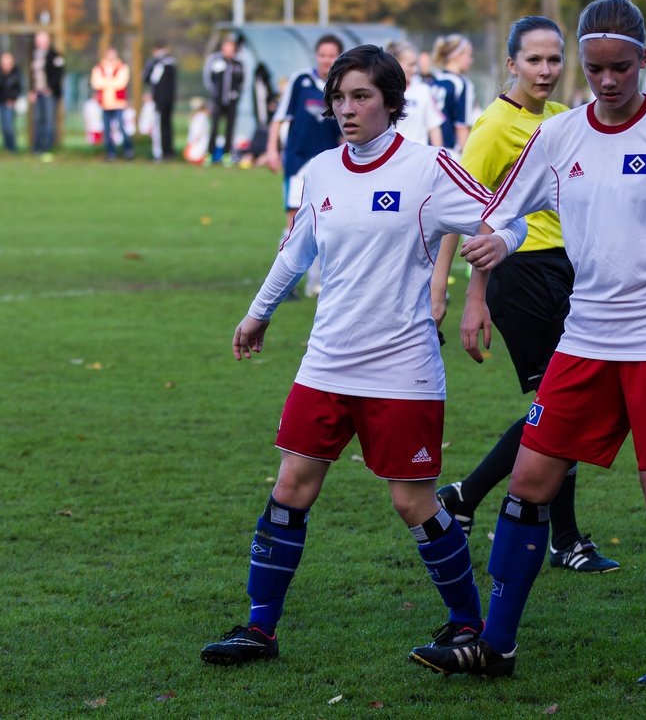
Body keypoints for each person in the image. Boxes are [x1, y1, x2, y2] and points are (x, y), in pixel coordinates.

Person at [409, 0, 646, 684]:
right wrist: (500, 241)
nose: (607, 81)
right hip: (584, 337)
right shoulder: (557, 137)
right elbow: (514, 212)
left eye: (620, 68)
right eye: (595, 69)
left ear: (643, 60)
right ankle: (495, 644)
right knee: (528, 479)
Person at [199, 44, 528, 666]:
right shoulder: (320, 170)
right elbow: (296, 250)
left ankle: (466, 623)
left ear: (392, 103)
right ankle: (258, 629)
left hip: (402, 365)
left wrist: (502, 243)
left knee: (412, 502)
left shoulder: (429, 167)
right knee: (291, 485)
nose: (346, 110)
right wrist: (258, 312)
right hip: (326, 360)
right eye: (339, 98)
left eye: (361, 97)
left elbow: (505, 212)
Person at [430, 15, 619, 575]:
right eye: (533, 59)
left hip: (568, 272)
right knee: (559, 407)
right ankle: (561, 538)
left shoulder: (562, 118)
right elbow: (456, 209)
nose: (545, 70)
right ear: (511, 64)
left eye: (554, 59)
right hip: (520, 272)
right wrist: (455, 290)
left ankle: (467, 500)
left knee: (566, 407)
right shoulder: (493, 127)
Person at [263, 34, 344, 297]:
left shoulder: (341, 86)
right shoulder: (301, 81)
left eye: (332, 55)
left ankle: (318, 283)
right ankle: (284, 285)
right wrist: (271, 149)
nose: (326, 60)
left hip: (330, 164)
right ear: (316, 56)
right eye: (322, 54)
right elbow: (279, 118)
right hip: (298, 161)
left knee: (327, 222)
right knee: (296, 222)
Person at [386, 41, 444, 147]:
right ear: (396, 63)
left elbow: (434, 127)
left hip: (418, 159)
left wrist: (438, 155)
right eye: (411, 65)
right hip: (390, 159)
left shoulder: (423, 90)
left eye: (415, 64)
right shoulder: (383, 92)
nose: (415, 69)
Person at [430, 34, 476, 157]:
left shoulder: (433, 79)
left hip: (427, 151)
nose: (471, 60)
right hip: (450, 154)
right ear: (457, 55)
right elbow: (461, 126)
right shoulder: (462, 83)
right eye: (469, 55)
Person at [204, 36, 245, 164]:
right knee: (214, 128)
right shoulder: (215, 61)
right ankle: (209, 154)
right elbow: (208, 78)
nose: (229, 50)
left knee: (230, 128)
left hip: (232, 102)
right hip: (217, 101)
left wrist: (236, 93)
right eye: (227, 47)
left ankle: (227, 154)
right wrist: (214, 92)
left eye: (231, 48)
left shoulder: (238, 63)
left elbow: (242, 81)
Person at [91, 48, 133, 161]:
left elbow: (121, 83)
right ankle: (110, 153)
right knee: (107, 129)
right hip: (105, 104)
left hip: (118, 104)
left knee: (122, 127)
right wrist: (111, 82)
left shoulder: (122, 67)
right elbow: (96, 83)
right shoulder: (99, 67)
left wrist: (105, 82)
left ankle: (128, 150)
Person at [29, 31, 64, 156]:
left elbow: (58, 74)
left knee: (49, 120)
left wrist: (50, 88)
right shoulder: (34, 55)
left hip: (49, 94)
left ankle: (47, 147)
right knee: (38, 120)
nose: (40, 43)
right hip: (37, 93)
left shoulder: (55, 55)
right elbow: (31, 76)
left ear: (48, 41)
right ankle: (36, 147)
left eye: (42, 40)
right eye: (38, 40)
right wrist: (32, 90)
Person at [143, 42, 178, 160]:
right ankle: (166, 152)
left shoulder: (159, 62)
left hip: (161, 100)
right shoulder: (168, 61)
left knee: (161, 126)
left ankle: (163, 152)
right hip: (166, 99)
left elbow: (147, 78)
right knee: (165, 125)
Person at [0, 52, 22, 153]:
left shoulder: (16, 73)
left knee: (9, 126)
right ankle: (6, 147)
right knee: (3, 126)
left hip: (10, 103)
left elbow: (18, 89)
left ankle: (12, 147)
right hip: (0, 102)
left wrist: (12, 99)